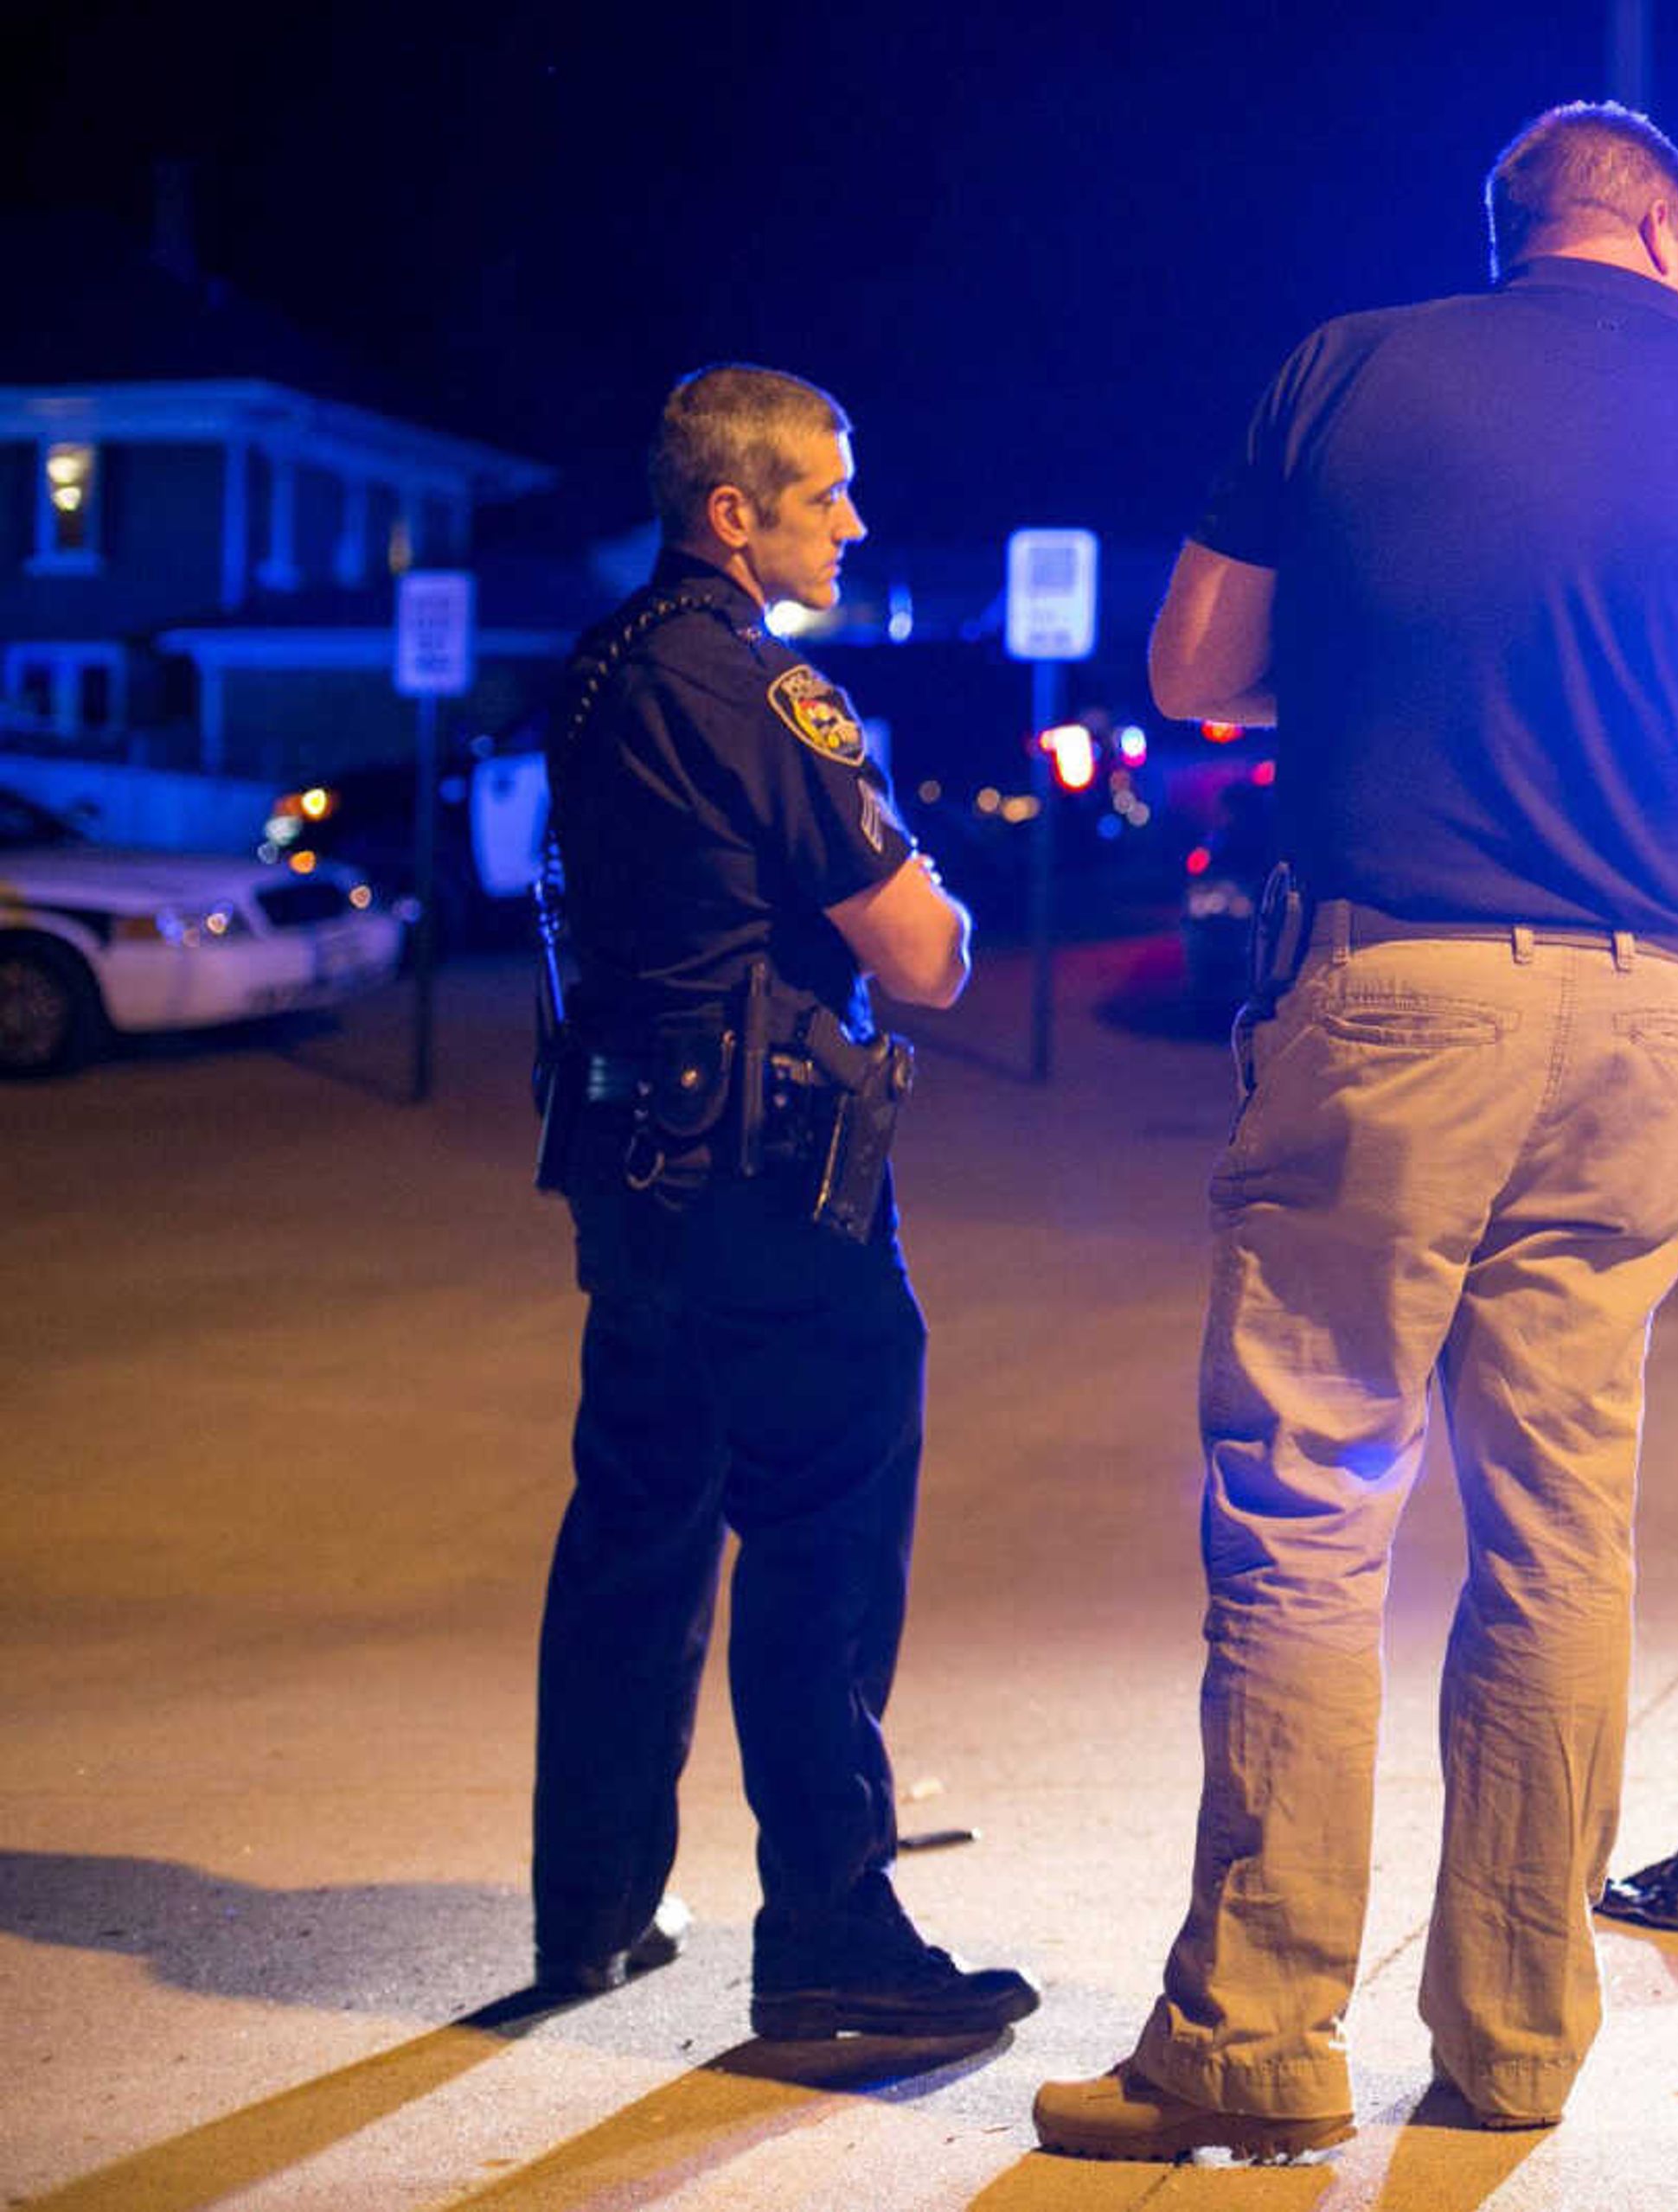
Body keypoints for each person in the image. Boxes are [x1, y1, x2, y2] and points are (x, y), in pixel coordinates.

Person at [1033, 104, 1678, 2160]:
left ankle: (1252, 2037)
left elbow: (1193, 670)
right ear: (1672, 236)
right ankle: (1510, 2041)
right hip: (1653, 1015)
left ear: (1509, 233)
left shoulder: (1348, 367)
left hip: (1395, 991)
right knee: (1560, 1527)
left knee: (1314, 1502)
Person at [528, 362, 1039, 2042]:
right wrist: (939, 900)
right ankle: (831, 1928)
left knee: (640, 1520)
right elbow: (925, 955)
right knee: (822, 1525)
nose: (855, 517)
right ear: (734, 513)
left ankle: (593, 1902)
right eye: (829, 491)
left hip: (633, 1167)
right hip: (775, 1179)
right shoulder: (763, 688)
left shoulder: (598, 669)